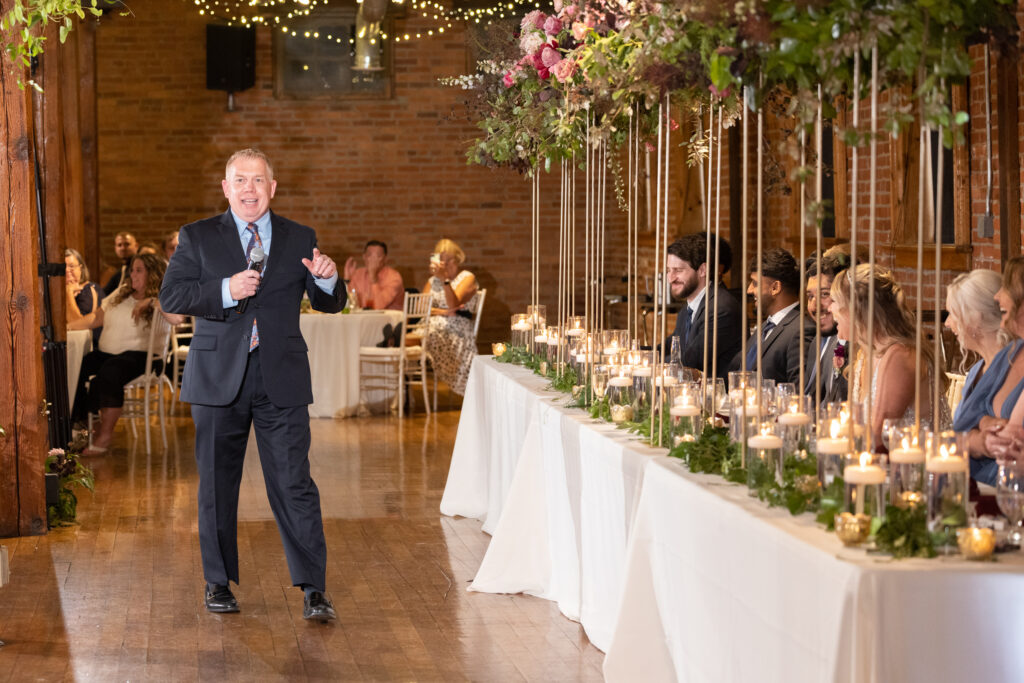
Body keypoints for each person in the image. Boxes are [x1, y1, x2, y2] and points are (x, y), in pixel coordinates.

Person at [159, 149, 344, 621]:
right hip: (218, 379)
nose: (248, 189)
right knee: (218, 485)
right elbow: (173, 296)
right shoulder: (198, 237)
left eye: (257, 180)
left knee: (294, 483)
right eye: (239, 180)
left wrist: (328, 279)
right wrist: (225, 289)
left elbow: (331, 303)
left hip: (280, 378)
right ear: (226, 188)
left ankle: (314, 589)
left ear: (272, 187)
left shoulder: (299, 236)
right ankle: (218, 583)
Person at [72, 253, 185, 453]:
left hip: (143, 358)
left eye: (138, 270)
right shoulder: (122, 292)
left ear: (153, 274)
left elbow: (177, 319)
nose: (132, 274)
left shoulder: (163, 295)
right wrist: (65, 328)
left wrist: (151, 301)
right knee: (80, 365)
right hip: (110, 355)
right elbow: (94, 319)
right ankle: (80, 425)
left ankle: (104, 436)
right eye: (132, 269)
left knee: (111, 371)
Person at [830, 264, 948, 446]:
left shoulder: (899, 355)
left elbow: (877, 437)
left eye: (835, 301)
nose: (830, 309)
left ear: (858, 311)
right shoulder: (865, 353)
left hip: (918, 467)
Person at [955, 257, 1024, 485]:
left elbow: (1011, 440)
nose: (998, 296)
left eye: (1007, 288)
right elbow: (962, 427)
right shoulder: (1011, 353)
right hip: (983, 486)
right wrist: (985, 424)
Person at [730, 247, 813, 385]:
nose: (749, 290)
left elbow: (796, 392)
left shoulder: (802, 330)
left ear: (775, 288)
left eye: (755, 283)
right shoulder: (766, 326)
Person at [664, 233, 741, 380]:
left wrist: (646, 366)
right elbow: (669, 347)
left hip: (716, 397)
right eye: (668, 270)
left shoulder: (721, 309)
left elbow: (690, 360)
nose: (670, 278)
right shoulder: (686, 310)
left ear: (702, 270)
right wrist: (635, 354)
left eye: (678, 270)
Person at [946, 269, 1013, 422]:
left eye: (952, 314)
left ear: (975, 318)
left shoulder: (1014, 368)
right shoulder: (976, 371)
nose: (947, 323)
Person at [422, 238, 479, 396]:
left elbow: (453, 302)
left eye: (449, 260)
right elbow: (421, 308)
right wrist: (443, 312)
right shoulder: (432, 281)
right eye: (441, 260)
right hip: (430, 324)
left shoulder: (467, 277)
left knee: (424, 335)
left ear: (458, 259)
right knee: (417, 333)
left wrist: (445, 281)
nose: (445, 264)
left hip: (457, 328)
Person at [804, 245, 856, 404]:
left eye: (824, 294)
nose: (814, 306)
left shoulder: (861, 347)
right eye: (810, 297)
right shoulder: (818, 343)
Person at [342, 239, 404, 310]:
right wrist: (347, 279)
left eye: (378, 256)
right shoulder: (358, 274)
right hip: (364, 318)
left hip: (390, 320)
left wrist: (373, 278)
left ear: (385, 259)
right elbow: (346, 305)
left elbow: (378, 306)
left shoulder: (394, 278)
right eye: (369, 255)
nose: (373, 259)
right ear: (364, 257)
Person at [64, 247, 104, 344]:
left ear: (81, 268)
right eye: (64, 266)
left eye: (72, 266)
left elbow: (77, 324)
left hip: (90, 348)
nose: (67, 270)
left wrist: (69, 293)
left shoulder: (88, 290)